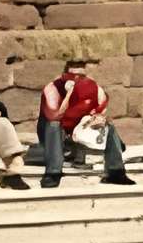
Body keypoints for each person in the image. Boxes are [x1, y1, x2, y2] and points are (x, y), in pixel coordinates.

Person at [37, 57, 135, 187]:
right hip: (54, 135)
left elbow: (100, 109)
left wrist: (98, 118)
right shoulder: (52, 89)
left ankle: (115, 171)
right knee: (54, 125)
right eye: (73, 76)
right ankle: (53, 173)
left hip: (78, 132)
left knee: (108, 125)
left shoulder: (94, 88)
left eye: (81, 76)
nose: (77, 80)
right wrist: (68, 94)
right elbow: (55, 115)